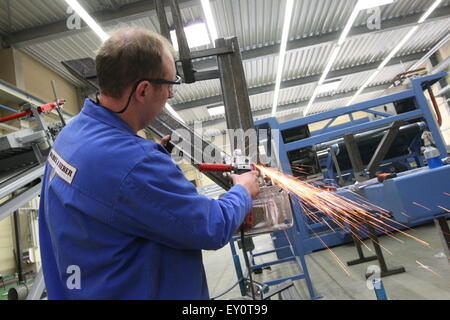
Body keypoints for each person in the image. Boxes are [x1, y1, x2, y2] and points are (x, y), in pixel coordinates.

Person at [38, 27, 260, 300]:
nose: (171, 95)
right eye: (169, 84)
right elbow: (211, 227)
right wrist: (242, 190)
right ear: (143, 90)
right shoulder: (134, 163)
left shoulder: (71, 136)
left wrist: (149, 164)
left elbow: (110, 192)